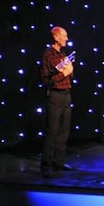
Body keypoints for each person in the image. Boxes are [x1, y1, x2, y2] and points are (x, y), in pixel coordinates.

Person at [39, 25, 76, 178]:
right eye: (64, 36)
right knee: (52, 131)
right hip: (55, 95)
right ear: (56, 37)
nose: (67, 38)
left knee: (64, 131)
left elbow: (68, 73)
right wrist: (65, 73)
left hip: (66, 94)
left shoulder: (63, 53)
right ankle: (46, 165)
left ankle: (58, 162)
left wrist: (70, 71)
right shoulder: (48, 54)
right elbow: (47, 79)